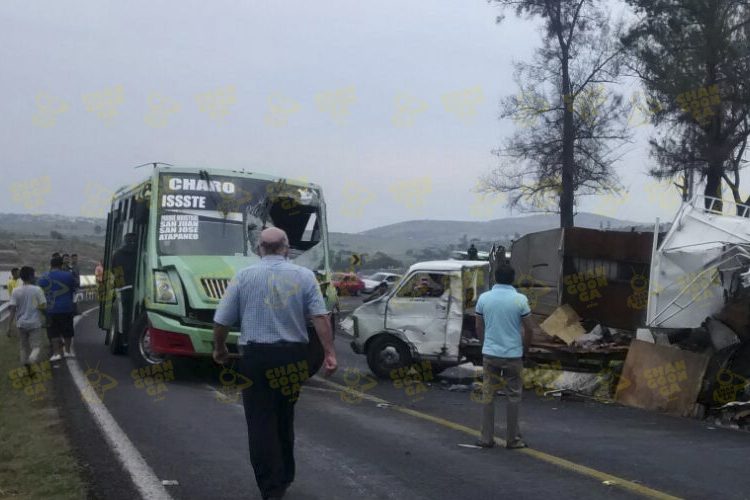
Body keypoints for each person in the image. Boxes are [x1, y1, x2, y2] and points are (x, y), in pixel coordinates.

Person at [213, 227, 337, 500]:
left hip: (255, 358)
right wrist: (329, 352)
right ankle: (285, 474)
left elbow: (222, 320)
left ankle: (271, 487)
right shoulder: (305, 276)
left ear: (259, 249)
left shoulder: (243, 276)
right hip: (292, 358)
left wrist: (220, 349)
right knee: (284, 416)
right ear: (286, 248)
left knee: (260, 421)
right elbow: (320, 317)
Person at [475, 264, 541, 449]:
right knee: (513, 397)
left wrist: (484, 344)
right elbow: (529, 328)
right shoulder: (520, 300)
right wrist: (525, 349)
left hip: (490, 353)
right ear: (513, 279)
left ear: (495, 278)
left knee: (488, 395)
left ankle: (486, 438)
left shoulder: (484, 298)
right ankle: (513, 439)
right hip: (513, 354)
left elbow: (479, 326)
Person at [37, 256, 79, 361]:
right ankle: (67, 351)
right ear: (62, 265)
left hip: (51, 309)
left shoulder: (44, 277)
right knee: (67, 331)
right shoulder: (69, 275)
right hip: (66, 308)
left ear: (51, 265)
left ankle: (56, 353)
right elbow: (75, 288)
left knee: (53, 332)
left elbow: (39, 291)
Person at [6, 266, 47, 370]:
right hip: (34, 323)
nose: (35, 277)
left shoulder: (15, 291)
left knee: (23, 347)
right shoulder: (37, 290)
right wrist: (47, 317)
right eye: (34, 275)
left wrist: (9, 326)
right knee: (36, 347)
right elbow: (43, 306)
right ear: (30, 276)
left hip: (20, 323)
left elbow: (12, 309)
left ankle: (25, 368)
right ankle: (31, 361)